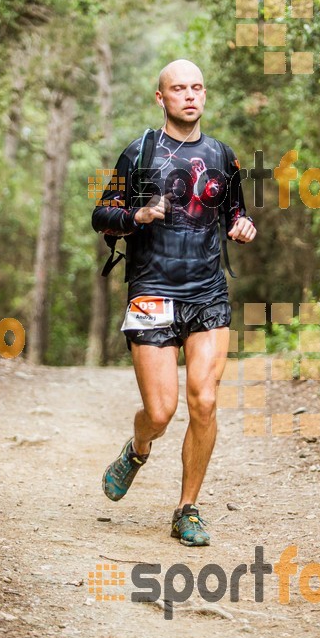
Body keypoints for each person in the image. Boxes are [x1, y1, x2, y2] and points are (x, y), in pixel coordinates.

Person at [91, 59, 256, 546]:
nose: (190, 95)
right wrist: (137, 215)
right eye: (178, 88)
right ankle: (138, 448)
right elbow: (102, 214)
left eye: (197, 88)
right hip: (150, 291)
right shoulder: (138, 153)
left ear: (204, 96)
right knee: (160, 412)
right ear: (160, 98)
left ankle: (187, 509)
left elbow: (236, 214)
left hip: (207, 293)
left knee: (204, 401)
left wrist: (242, 226)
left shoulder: (224, 157)